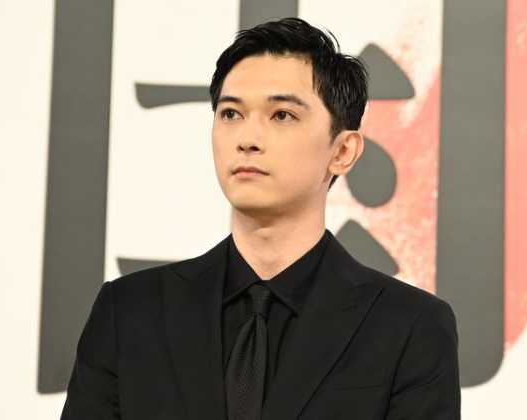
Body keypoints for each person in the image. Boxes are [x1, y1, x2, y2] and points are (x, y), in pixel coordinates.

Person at [60, 17, 460, 420]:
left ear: (343, 151)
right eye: (231, 114)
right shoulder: (129, 312)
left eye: (282, 115)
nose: (247, 139)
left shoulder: (409, 326)